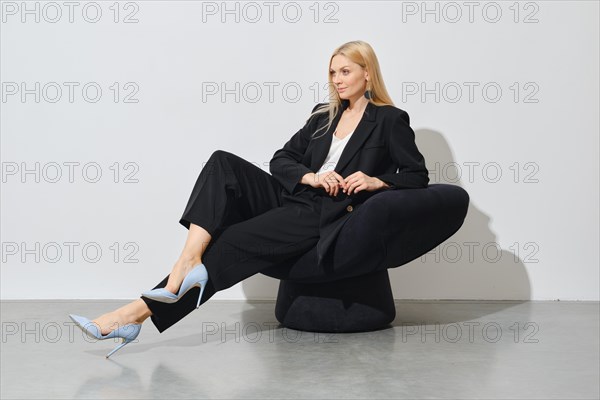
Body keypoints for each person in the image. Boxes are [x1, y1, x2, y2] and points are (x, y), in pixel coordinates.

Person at [69, 40, 429, 358]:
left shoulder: (389, 120)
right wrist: (311, 176)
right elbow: (281, 159)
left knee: (233, 241)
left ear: (367, 74)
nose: (336, 78)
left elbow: (417, 175)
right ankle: (187, 260)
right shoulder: (324, 114)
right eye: (332, 71)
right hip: (301, 194)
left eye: (345, 70)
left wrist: (374, 180)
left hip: (327, 212)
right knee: (222, 163)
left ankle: (134, 314)